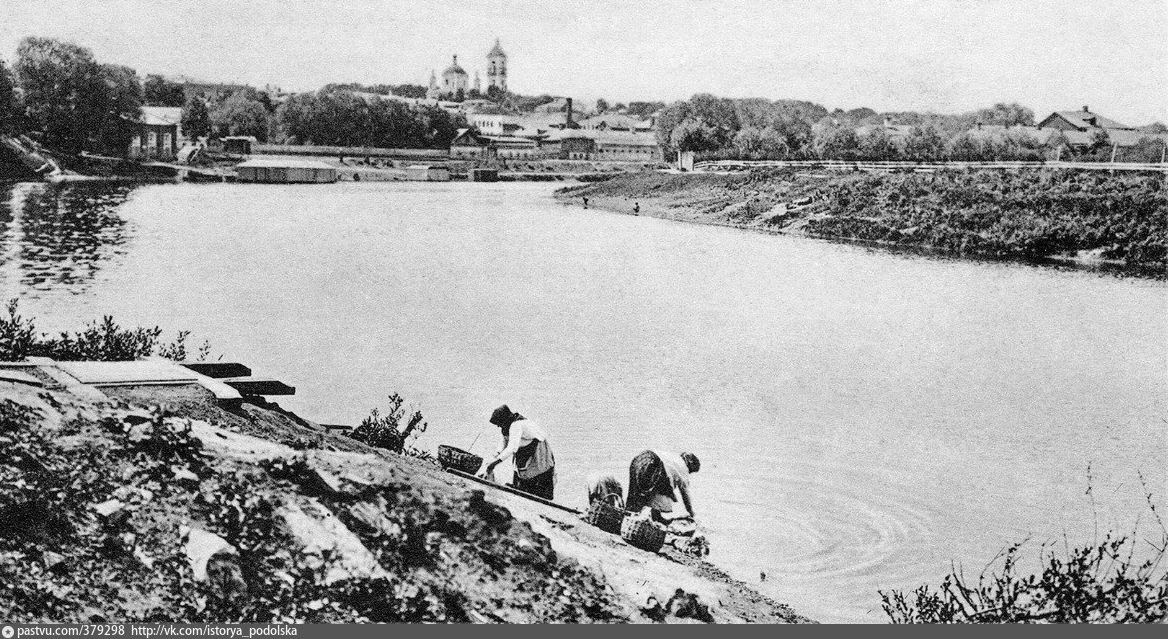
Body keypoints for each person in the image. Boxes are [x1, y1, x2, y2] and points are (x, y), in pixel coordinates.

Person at [476, 404, 556, 500]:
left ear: (504, 419)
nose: (498, 426)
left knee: (537, 476)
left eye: (498, 423)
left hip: (538, 451)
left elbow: (511, 448)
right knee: (522, 475)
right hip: (524, 451)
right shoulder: (506, 427)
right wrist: (494, 458)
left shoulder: (516, 425)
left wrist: (494, 464)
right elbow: (502, 444)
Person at [626, 450, 700, 522]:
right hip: (655, 463)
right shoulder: (683, 467)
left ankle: (627, 515)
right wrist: (691, 512)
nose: (689, 472)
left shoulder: (672, 457)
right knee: (664, 492)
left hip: (640, 458)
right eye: (691, 470)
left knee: (635, 492)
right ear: (690, 463)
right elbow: (685, 494)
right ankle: (655, 517)